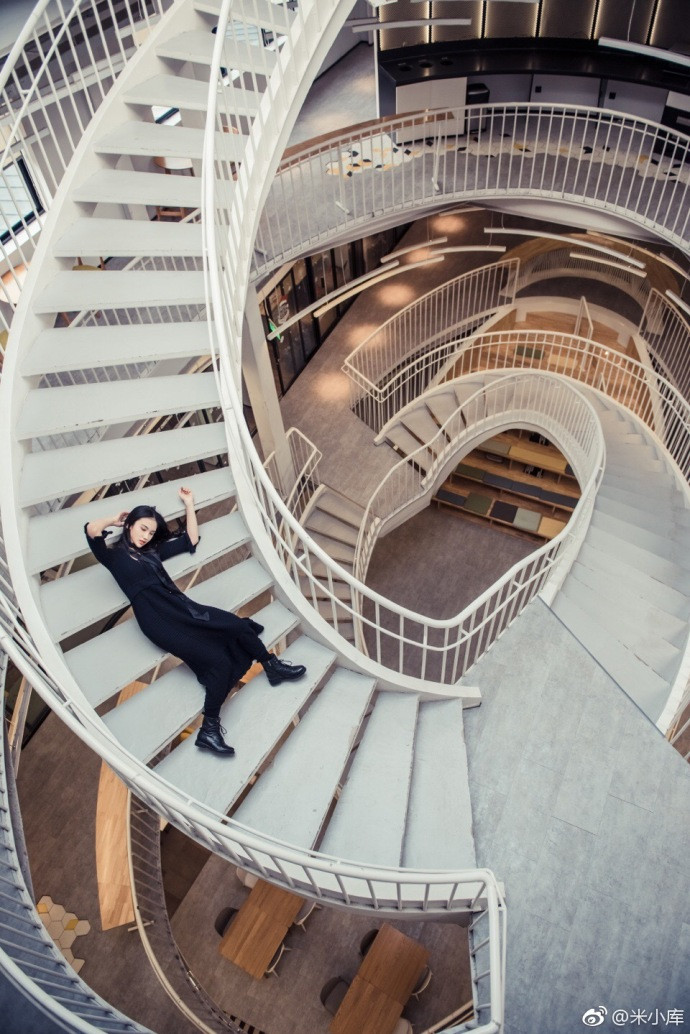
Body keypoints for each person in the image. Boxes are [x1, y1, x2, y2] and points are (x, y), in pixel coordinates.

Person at [84, 486, 306, 757]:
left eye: (151, 532)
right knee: (219, 663)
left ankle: (271, 666)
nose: (146, 536)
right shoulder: (114, 557)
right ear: (129, 525)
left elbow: (190, 539)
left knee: (236, 625)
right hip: (158, 620)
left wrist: (190, 503)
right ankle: (209, 730)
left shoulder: (151, 553)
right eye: (142, 528)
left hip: (182, 608)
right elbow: (91, 530)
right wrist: (113, 519)